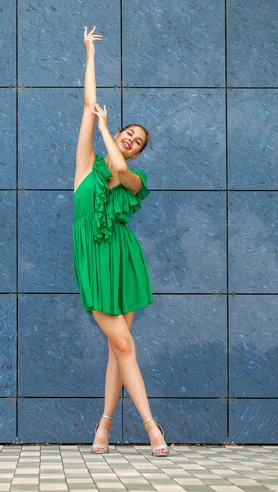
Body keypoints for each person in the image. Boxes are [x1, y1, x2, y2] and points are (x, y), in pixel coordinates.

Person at [72, 25, 169, 457]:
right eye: (129, 132)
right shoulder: (84, 166)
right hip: (94, 259)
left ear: (137, 153)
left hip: (124, 259)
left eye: (137, 141)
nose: (131, 138)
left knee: (119, 347)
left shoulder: (132, 178)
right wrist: (90, 53)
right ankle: (151, 427)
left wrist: (111, 131)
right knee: (124, 344)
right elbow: (91, 106)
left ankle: (105, 429)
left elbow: (116, 163)